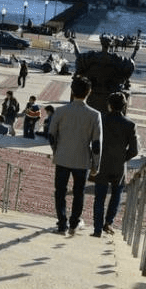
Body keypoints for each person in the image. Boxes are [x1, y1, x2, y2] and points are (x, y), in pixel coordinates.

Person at [49, 76, 102, 236]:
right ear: (89, 92)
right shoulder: (94, 115)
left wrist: (56, 150)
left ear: (72, 91)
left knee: (60, 191)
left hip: (63, 156)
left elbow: (51, 135)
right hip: (83, 159)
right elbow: (97, 144)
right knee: (79, 192)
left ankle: (61, 224)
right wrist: (96, 166)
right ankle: (74, 223)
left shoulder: (60, 111)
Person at [90, 92, 137, 237]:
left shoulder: (101, 120)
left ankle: (97, 229)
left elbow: (94, 141)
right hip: (118, 166)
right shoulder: (130, 124)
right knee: (116, 195)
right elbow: (134, 150)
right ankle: (108, 222)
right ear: (124, 107)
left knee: (99, 197)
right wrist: (123, 158)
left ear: (109, 105)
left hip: (102, 164)